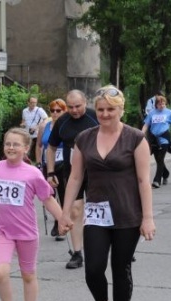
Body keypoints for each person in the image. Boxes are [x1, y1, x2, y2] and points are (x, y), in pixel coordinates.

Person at [59, 86, 156, 301]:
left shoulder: (135, 138)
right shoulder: (84, 138)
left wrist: (148, 218)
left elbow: (143, 180)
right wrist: (65, 212)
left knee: (120, 268)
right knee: (93, 269)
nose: (104, 114)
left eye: (110, 109)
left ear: (121, 109)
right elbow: (75, 178)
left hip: (127, 214)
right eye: (100, 109)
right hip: (96, 213)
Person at [0, 128, 64, 301]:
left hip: (26, 232)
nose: (11, 148)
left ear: (26, 148)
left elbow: (47, 199)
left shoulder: (33, 173)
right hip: (3, 231)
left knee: (28, 275)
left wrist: (62, 219)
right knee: (0, 272)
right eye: (8, 144)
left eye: (16, 144)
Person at [46, 90, 99, 269]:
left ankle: (115, 246)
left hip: (96, 171)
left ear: (85, 102)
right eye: (70, 107)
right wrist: (50, 172)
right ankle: (77, 253)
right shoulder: (62, 121)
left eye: (78, 106)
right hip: (72, 172)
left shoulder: (95, 117)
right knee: (75, 210)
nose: (74, 110)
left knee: (99, 210)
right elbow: (51, 148)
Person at [140, 94, 171, 188]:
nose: (162, 106)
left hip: (164, 138)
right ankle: (165, 173)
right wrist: (141, 135)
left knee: (161, 158)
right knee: (158, 159)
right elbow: (146, 125)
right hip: (154, 139)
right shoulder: (152, 113)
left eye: (163, 104)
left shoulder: (169, 113)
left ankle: (156, 180)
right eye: (160, 104)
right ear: (156, 105)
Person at [40, 98, 67, 239]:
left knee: (63, 194)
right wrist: (39, 163)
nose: (55, 113)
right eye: (52, 110)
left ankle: (60, 224)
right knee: (48, 194)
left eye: (58, 110)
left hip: (63, 163)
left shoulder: (67, 126)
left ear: (64, 111)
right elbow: (39, 145)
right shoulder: (45, 126)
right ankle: (58, 218)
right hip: (47, 164)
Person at [20, 95, 48, 163]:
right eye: (32, 102)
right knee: (26, 149)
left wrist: (37, 127)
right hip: (27, 133)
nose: (33, 104)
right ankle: (26, 162)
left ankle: (39, 163)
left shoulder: (39, 110)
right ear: (28, 102)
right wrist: (22, 124)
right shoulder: (24, 111)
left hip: (37, 134)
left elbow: (46, 119)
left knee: (38, 149)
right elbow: (23, 120)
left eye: (35, 102)